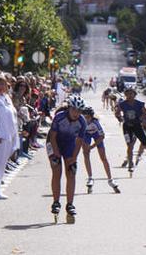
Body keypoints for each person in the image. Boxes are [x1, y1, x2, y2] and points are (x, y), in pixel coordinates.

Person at [47, 95, 87, 223]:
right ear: (69, 108)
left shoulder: (82, 121)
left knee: (71, 172)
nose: (77, 113)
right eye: (74, 110)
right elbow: (52, 137)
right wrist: (57, 153)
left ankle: (70, 204)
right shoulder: (59, 117)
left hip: (69, 144)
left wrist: (73, 158)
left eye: (79, 111)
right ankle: (56, 202)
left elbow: (80, 141)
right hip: (54, 143)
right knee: (57, 171)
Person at [114, 87, 146, 176]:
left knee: (145, 144)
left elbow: (145, 115)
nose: (130, 96)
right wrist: (119, 117)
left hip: (137, 126)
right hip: (127, 127)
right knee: (130, 145)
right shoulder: (122, 104)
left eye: (131, 94)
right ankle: (130, 163)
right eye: (128, 94)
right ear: (125, 95)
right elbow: (117, 113)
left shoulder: (139, 104)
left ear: (135, 95)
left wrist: (143, 121)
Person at [0, 76, 18, 200]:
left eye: (3, 84)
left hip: (9, 135)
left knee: (2, 164)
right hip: (0, 137)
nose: (1, 86)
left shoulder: (6, 98)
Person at [80, 107, 120, 194]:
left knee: (103, 157)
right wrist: (86, 147)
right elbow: (79, 136)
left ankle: (110, 179)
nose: (86, 119)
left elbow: (102, 137)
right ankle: (90, 177)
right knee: (85, 154)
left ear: (91, 117)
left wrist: (92, 146)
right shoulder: (81, 123)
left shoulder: (95, 123)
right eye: (84, 117)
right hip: (86, 134)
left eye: (88, 117)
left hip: (97, 135)